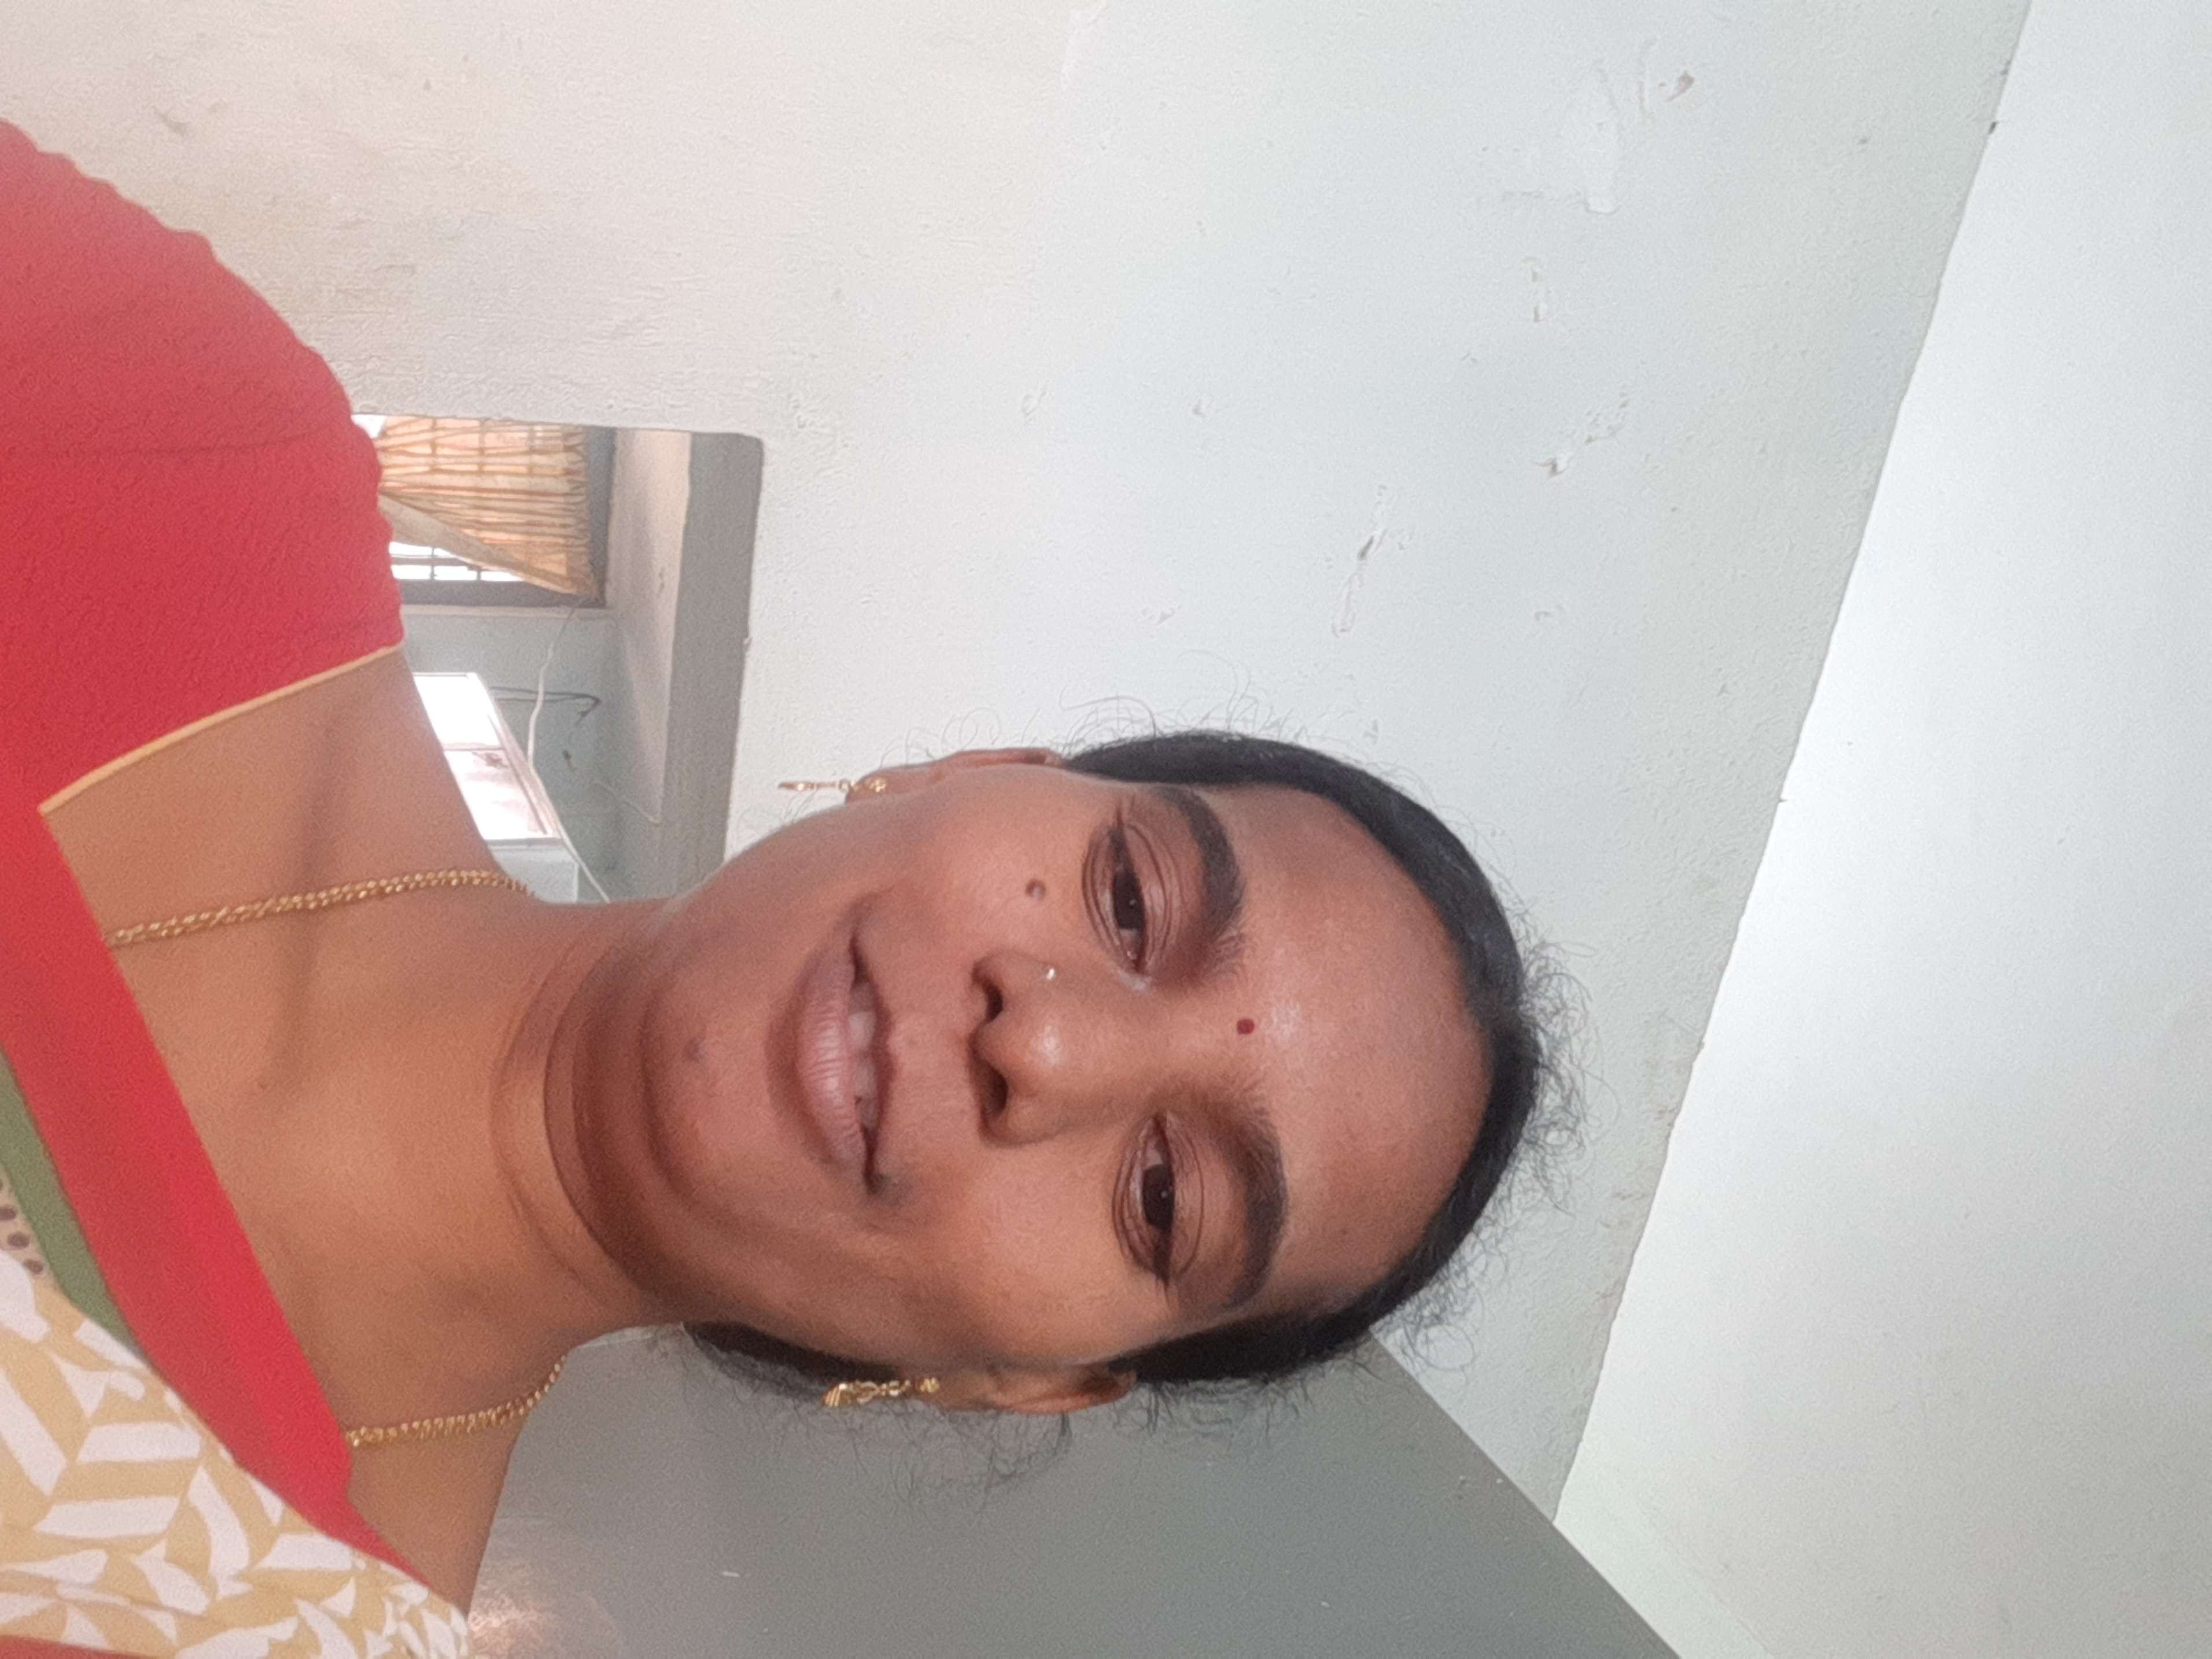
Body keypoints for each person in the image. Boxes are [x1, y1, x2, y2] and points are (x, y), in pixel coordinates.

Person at [0, 123, 1547, 1655]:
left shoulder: (258, 1628)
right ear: (956, 771)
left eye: (1163, 1196)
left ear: (1021, 1380)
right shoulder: (175, 435)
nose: (1045, 1043)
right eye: (1132, 902)